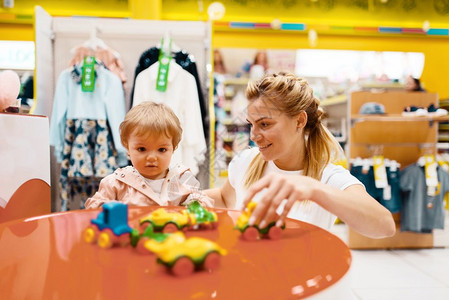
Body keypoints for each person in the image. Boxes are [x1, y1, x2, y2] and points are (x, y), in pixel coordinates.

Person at [205, 72, 396, 239]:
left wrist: (314, 189)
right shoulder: (246, 161)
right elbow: (224, 198)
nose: (253, 135)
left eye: (264, 124)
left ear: (300, 121)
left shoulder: (328, 177)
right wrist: (188, 197)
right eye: (251, 124)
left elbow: (384, 225)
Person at [85, 101, 213, 209]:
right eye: (142, 149)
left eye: (162, 150)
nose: (152, 157)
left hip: (173, 238)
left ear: (173, 148)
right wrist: (109, 208)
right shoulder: (117, 183)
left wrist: (196, 205)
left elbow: (204, 201)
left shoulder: (181, 179)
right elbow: (92, 208)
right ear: (127, 146)